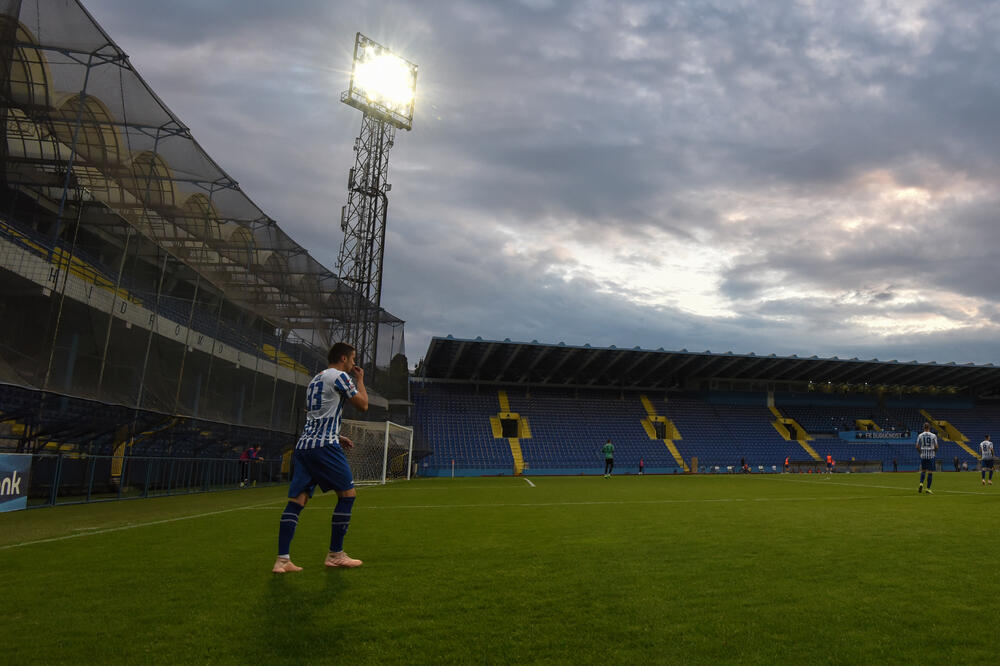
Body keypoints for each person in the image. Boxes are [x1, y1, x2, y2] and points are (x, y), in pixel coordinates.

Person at [272, 342, 369, 574]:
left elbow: (317, 416)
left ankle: (282, 560)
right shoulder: (340, 376)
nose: (355, 363)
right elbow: (363, 405)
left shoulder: (316, 379)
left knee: (297, 501)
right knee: (347, 495)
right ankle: (336, 554)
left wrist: (339, 435)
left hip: (305, 446)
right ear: (344, 359)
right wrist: (361, 380)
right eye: (353, 358)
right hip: (324, 446)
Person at [916, 423, 938, 494]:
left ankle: (921, 483)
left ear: (923, 428)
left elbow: (917, 446)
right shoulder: (933, 435)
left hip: (923, 455)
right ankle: (928, 489)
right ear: (929, 428)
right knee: (930, 472)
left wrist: (920, 453)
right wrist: (934, 452)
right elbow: (936, 446)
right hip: (931, 456)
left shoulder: (920, 435)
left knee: (923, 471)